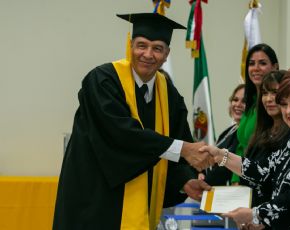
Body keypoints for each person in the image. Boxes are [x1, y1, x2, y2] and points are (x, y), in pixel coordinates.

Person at [53, 13, 212, 230]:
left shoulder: (168, 93)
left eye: (157, 48)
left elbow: (177, 139)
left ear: (167, 54)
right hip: (95, 204)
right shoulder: (103, 81)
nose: (148, 54)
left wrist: (185, 181)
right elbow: (122, 135)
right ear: (130, 45)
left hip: (141, 207)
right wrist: (183, 149)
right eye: (141, 45)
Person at [201, 65, 290, 230]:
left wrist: (256, 214)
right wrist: (221, 155)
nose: (288, 111)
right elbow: (262, 170)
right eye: (283, 104)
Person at [240, 70, 290, 207]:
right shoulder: (261, 133)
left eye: (275, 93)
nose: (268, 99)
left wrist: (223, 157)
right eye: (265, 93)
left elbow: (265, 175)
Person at [233, 43, 279, 184]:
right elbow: (241, 147)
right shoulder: (251, 103)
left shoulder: (276, 106)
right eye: (252, 63)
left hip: (263, 179)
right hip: (242, 177)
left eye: (262, 63)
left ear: (275, 67)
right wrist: (235, 180)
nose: (256, 68)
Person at [201, 83, 245, 185]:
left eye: (244, 101)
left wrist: (205, 182)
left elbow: (224, 168)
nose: (238, 104)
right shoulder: (230, 130)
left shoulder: (246, 135)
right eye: (235, 99)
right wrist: (201, 173)